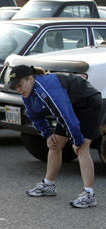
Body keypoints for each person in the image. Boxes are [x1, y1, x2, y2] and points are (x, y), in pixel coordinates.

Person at [8, 65, 102, 208]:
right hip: (71, 105)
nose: (19, 89)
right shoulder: (28, 94)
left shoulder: (46, 88)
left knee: (82, 147)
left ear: (31, 79)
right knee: (54, 144)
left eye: (20, 85)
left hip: (88, 103)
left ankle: (89, 195)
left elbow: (65, 114)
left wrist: (76, 140)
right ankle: (48, 185)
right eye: (15, 87)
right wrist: (47, 134)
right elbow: (34, 115)